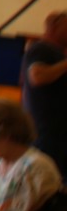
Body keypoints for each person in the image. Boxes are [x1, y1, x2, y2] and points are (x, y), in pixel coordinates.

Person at [21, 11, 67, 176]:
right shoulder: (41, 48)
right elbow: (37, 76)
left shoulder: (57, 53)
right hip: (46, 133)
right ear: (53, 26)